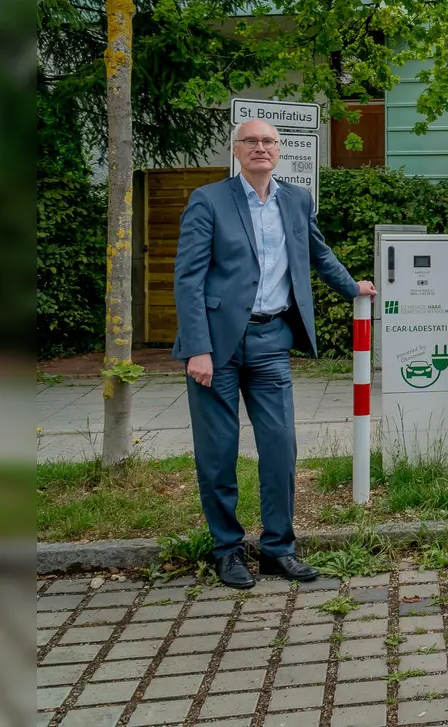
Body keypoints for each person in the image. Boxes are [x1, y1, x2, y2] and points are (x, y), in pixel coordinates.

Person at [172, 118, 377, 589]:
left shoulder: (296, 199)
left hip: (271, 341)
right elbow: (188, 278)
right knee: (218, 452)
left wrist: (353, 287)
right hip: (216, 346)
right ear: (237, 150)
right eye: (251, 141)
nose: (260, 147)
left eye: (268, 141)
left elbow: (319, 254)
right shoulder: (209, 200)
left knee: (281, 446)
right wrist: (197, 348)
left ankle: (278, 549)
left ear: (279, 150)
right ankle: (227, 550)